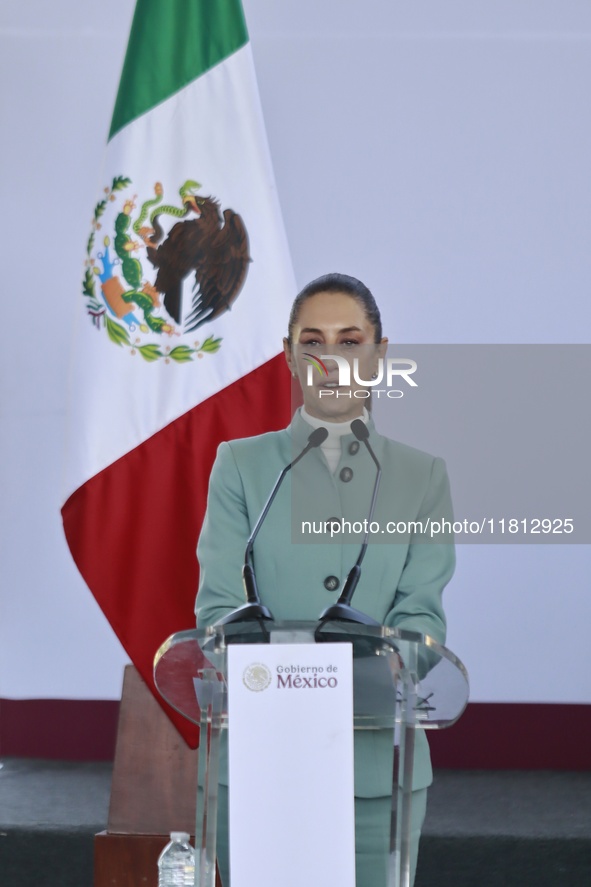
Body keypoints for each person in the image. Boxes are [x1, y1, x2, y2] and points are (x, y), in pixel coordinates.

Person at [195, 273, 455, 887]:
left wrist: (390, 661)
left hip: (377, 779)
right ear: (289, 355)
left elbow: (422, 619)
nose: (330, 359)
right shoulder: (242, 465)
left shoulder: (423, 476)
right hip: (257, 767)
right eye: (312, 341)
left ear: (380, 354)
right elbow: (217, 612)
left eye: (350, 340)